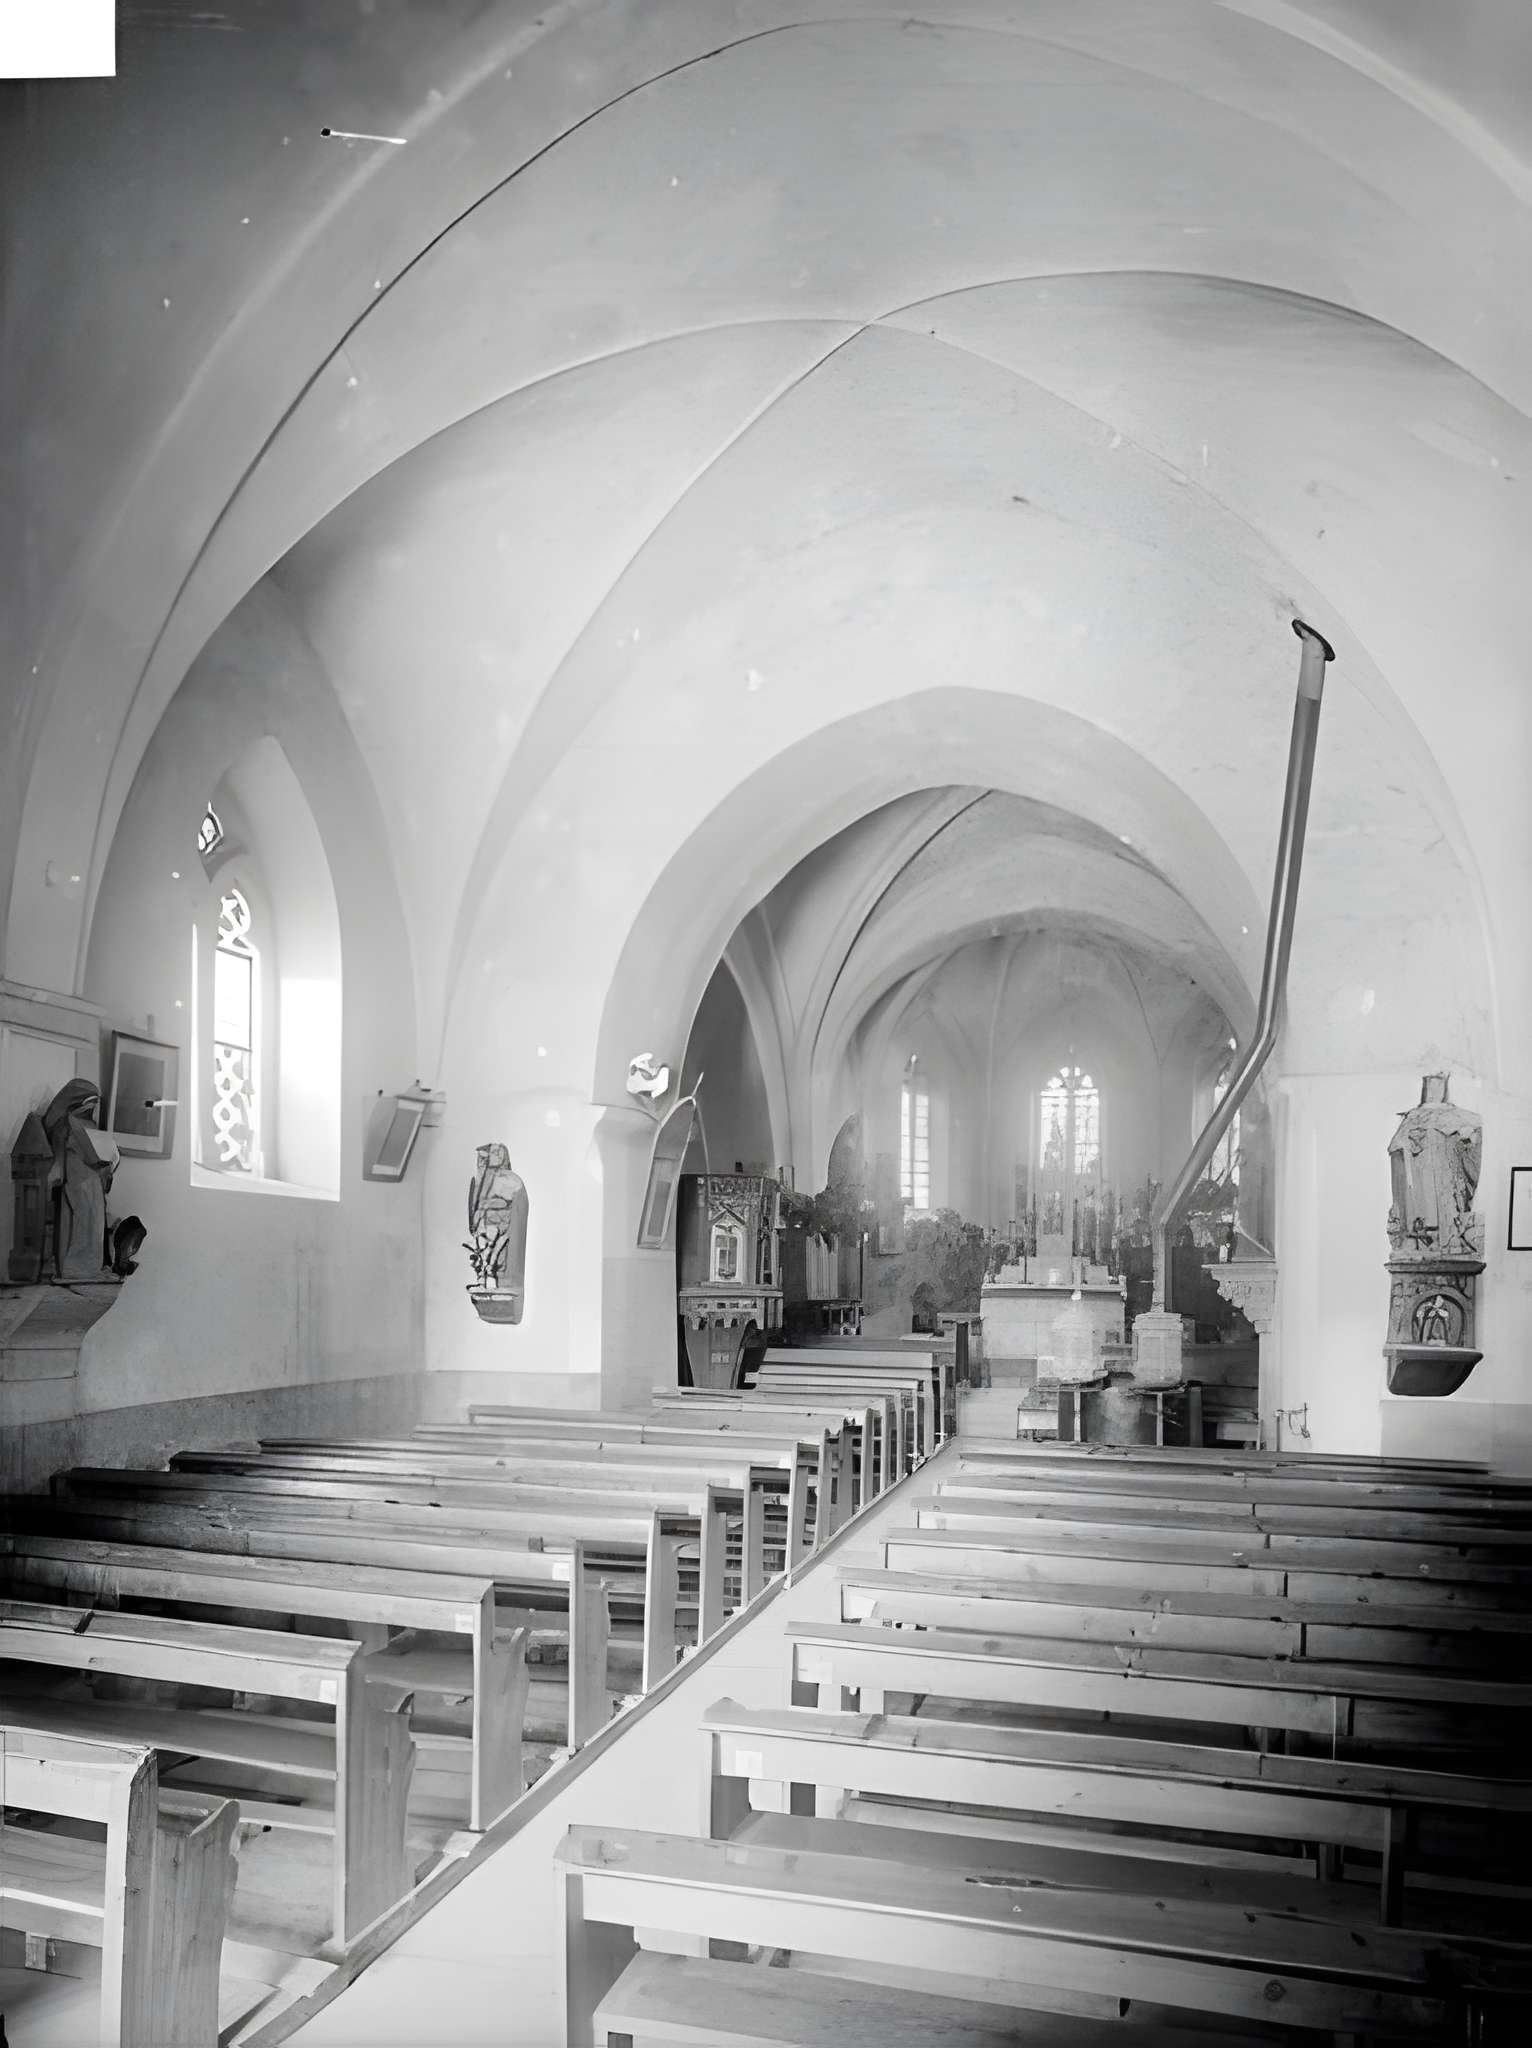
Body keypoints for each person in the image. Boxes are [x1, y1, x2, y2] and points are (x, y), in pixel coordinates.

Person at [42, 1078, 120, 1281]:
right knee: (84, 1222)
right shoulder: (69, 1124)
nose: (93, 1107)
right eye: (90, 1102)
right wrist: (105, 1163)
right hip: (80, 1181)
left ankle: (87, 1268)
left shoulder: (76, 1124)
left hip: (87, 1181)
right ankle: (78, 1269)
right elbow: (87, 1154)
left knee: (88, 1221)